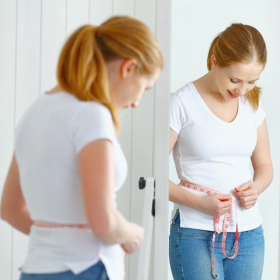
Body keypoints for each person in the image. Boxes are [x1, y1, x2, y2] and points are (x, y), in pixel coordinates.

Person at [0, 15, 162, 280]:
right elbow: (104, 223)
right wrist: (130, 232)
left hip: (35, 271)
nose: (136, 103)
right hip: (87, 269)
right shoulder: (92, 115)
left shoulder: (35, 112)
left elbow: (9, 209)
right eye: (145, 88)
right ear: (129, 68)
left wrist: (58, 239)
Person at [169, 23, 273, 280]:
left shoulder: (252, 103)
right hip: (194, 233)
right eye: (235, 80)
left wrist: (256, 188)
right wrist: (200, 203)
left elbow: (265, 167)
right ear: (215, 61)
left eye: (252, 82)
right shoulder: (181, 103)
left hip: (249, 234)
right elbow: (152, 178)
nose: (241, 90)